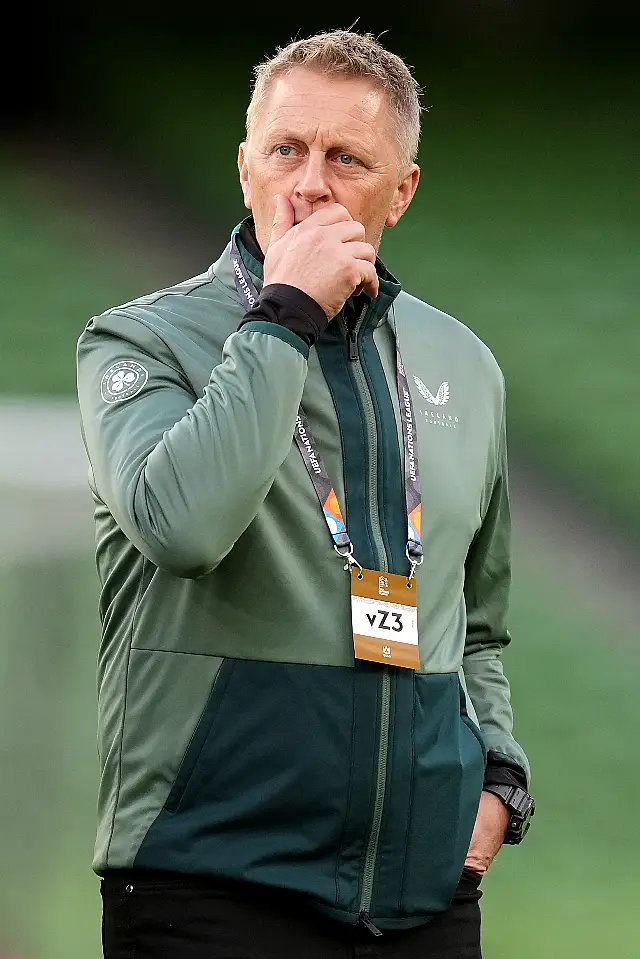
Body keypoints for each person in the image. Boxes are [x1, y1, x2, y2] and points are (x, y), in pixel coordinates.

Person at [77, 29, 534, 959]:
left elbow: (474, 622)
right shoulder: (139, 343)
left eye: (347, 158)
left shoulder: (464, 367)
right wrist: (283, 316)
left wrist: (499, 777)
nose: (311, 182)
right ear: (246, 168)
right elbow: (184, 527)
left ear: (400, 191)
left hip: (425, 891)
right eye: (287, 149)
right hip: (210, 882)